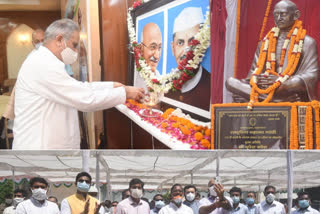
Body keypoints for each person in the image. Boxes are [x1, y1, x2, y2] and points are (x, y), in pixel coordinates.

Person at [12, 19, 144, 150]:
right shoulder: (43, 64)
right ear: (59, 40)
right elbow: (85, 99)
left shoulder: (47, 61)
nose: (75, 51)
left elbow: (78, 87)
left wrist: (112, 86)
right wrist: (125, 93)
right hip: (39, 150)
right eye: (74, 45)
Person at [226, 0, 319, 103]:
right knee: (230, 82)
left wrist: (280, 81)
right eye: (276, 14)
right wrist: (259, 80)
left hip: (287, 88)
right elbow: (254, 74)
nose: (279, 18)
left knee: (287, 88)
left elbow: (311, 76)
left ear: (296, 15)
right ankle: (275, 100)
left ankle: (260, 97)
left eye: (283, 14)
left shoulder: (307, 42)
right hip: (265, 89)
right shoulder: (265, 43)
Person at [166, 7, 211, 111]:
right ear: (173, 48)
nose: (186, 50)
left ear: (203, 45)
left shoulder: (212, 86)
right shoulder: (165, 84)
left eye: (192, 42)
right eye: (180, 43)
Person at [134, 22, 162, 90]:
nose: (157, 56)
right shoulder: (133, 74)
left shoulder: (159, 78)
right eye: (152, 47)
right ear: (141, 49)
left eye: (160, 48)